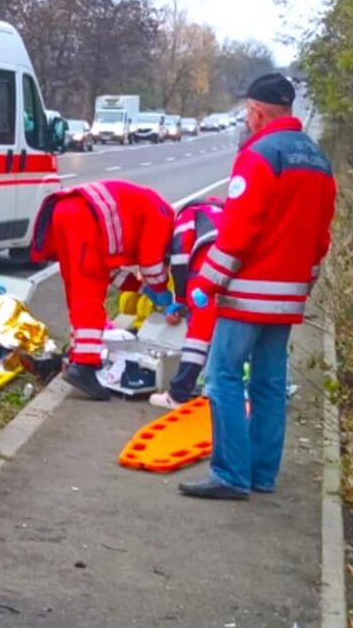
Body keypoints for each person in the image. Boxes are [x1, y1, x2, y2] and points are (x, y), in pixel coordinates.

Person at [179, 73, 336, 500]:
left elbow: (237, 233)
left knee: (224, 377)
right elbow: (321, 237)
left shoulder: (258, 157)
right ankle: (263, 473)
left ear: (256, 111)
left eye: (248, 114)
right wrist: (302, 283)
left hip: (247, 293)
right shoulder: (319, 161)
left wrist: (206, 284)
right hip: (288, 297)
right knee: (268, 383)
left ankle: (231, 473)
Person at [27, 180, 175, 400]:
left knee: (77, 297)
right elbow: (151, 263)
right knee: (89, 300)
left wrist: (139, 287)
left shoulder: (144, 206)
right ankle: (84, 367)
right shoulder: (163, 217)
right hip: (86, 220)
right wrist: (162, 292)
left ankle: (76, 357)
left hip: (65, 211)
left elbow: (109, 269)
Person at [149, 197, 224, 408]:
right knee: (225, 329)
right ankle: (216, 385)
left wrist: (180, 300)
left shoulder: (187, 215)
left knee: (198, 334)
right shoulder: (223, 214)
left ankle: (178, 395)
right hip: (237, 270)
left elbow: (181, 259)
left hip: (207, 271)